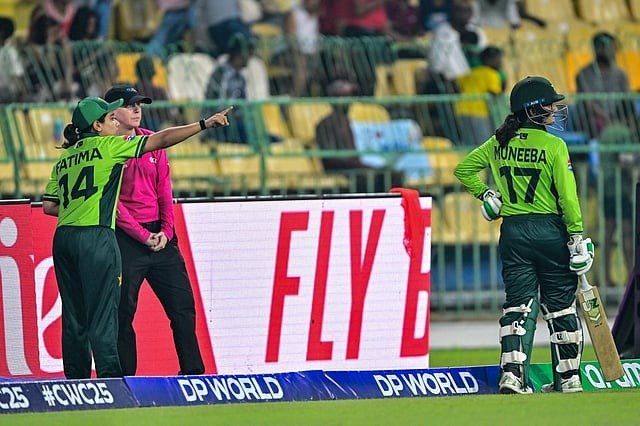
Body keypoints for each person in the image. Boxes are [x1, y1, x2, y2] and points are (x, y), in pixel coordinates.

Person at [42, 96, 232, 379]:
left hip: (64, 238)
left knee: (73, 316)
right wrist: (203, 124)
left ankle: (76, 384)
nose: (115, 122)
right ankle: (111, 382)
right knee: (105, 314)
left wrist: (82, 207)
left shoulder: (65, 158)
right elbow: (161, 140)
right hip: (96, 236)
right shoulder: (109, 146)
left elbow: (49, 206)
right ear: (97, 126)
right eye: (110, 118)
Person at [454, 76, 595, 394]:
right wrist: (576, 235)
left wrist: (486, 194)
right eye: (549, 105)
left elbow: (463, 169)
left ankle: (513, 376)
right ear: (532, 110)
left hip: (514, 233)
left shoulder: (498, 142)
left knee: (518, 305)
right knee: (560, 305)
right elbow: (568, 198)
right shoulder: (554, 145)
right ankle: (568, 378)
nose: (555, 110)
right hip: (550, 232)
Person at [103, 84, 205, 376]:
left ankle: (194, 375)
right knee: (123, 313)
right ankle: (124, 380)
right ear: (113, 113)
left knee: (183, 308)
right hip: (126, 240)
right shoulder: (106, 149)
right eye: (130, 105)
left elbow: (164, 190)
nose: (137, 109)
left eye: (139, 104)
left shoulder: (151, 141)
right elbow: (114, 204)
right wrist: (143, 235)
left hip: (160, 238)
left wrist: (166, 232)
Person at [576, 31, 638, 287]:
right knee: (615, 228)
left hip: (618, 180)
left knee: (620, 229)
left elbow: (624, 104)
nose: (607, 51)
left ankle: (623, 277)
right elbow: (588, 105)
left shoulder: (621, 75)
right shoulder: (584, 74)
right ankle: (609, 277)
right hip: (597, 134)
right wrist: (606, 121)